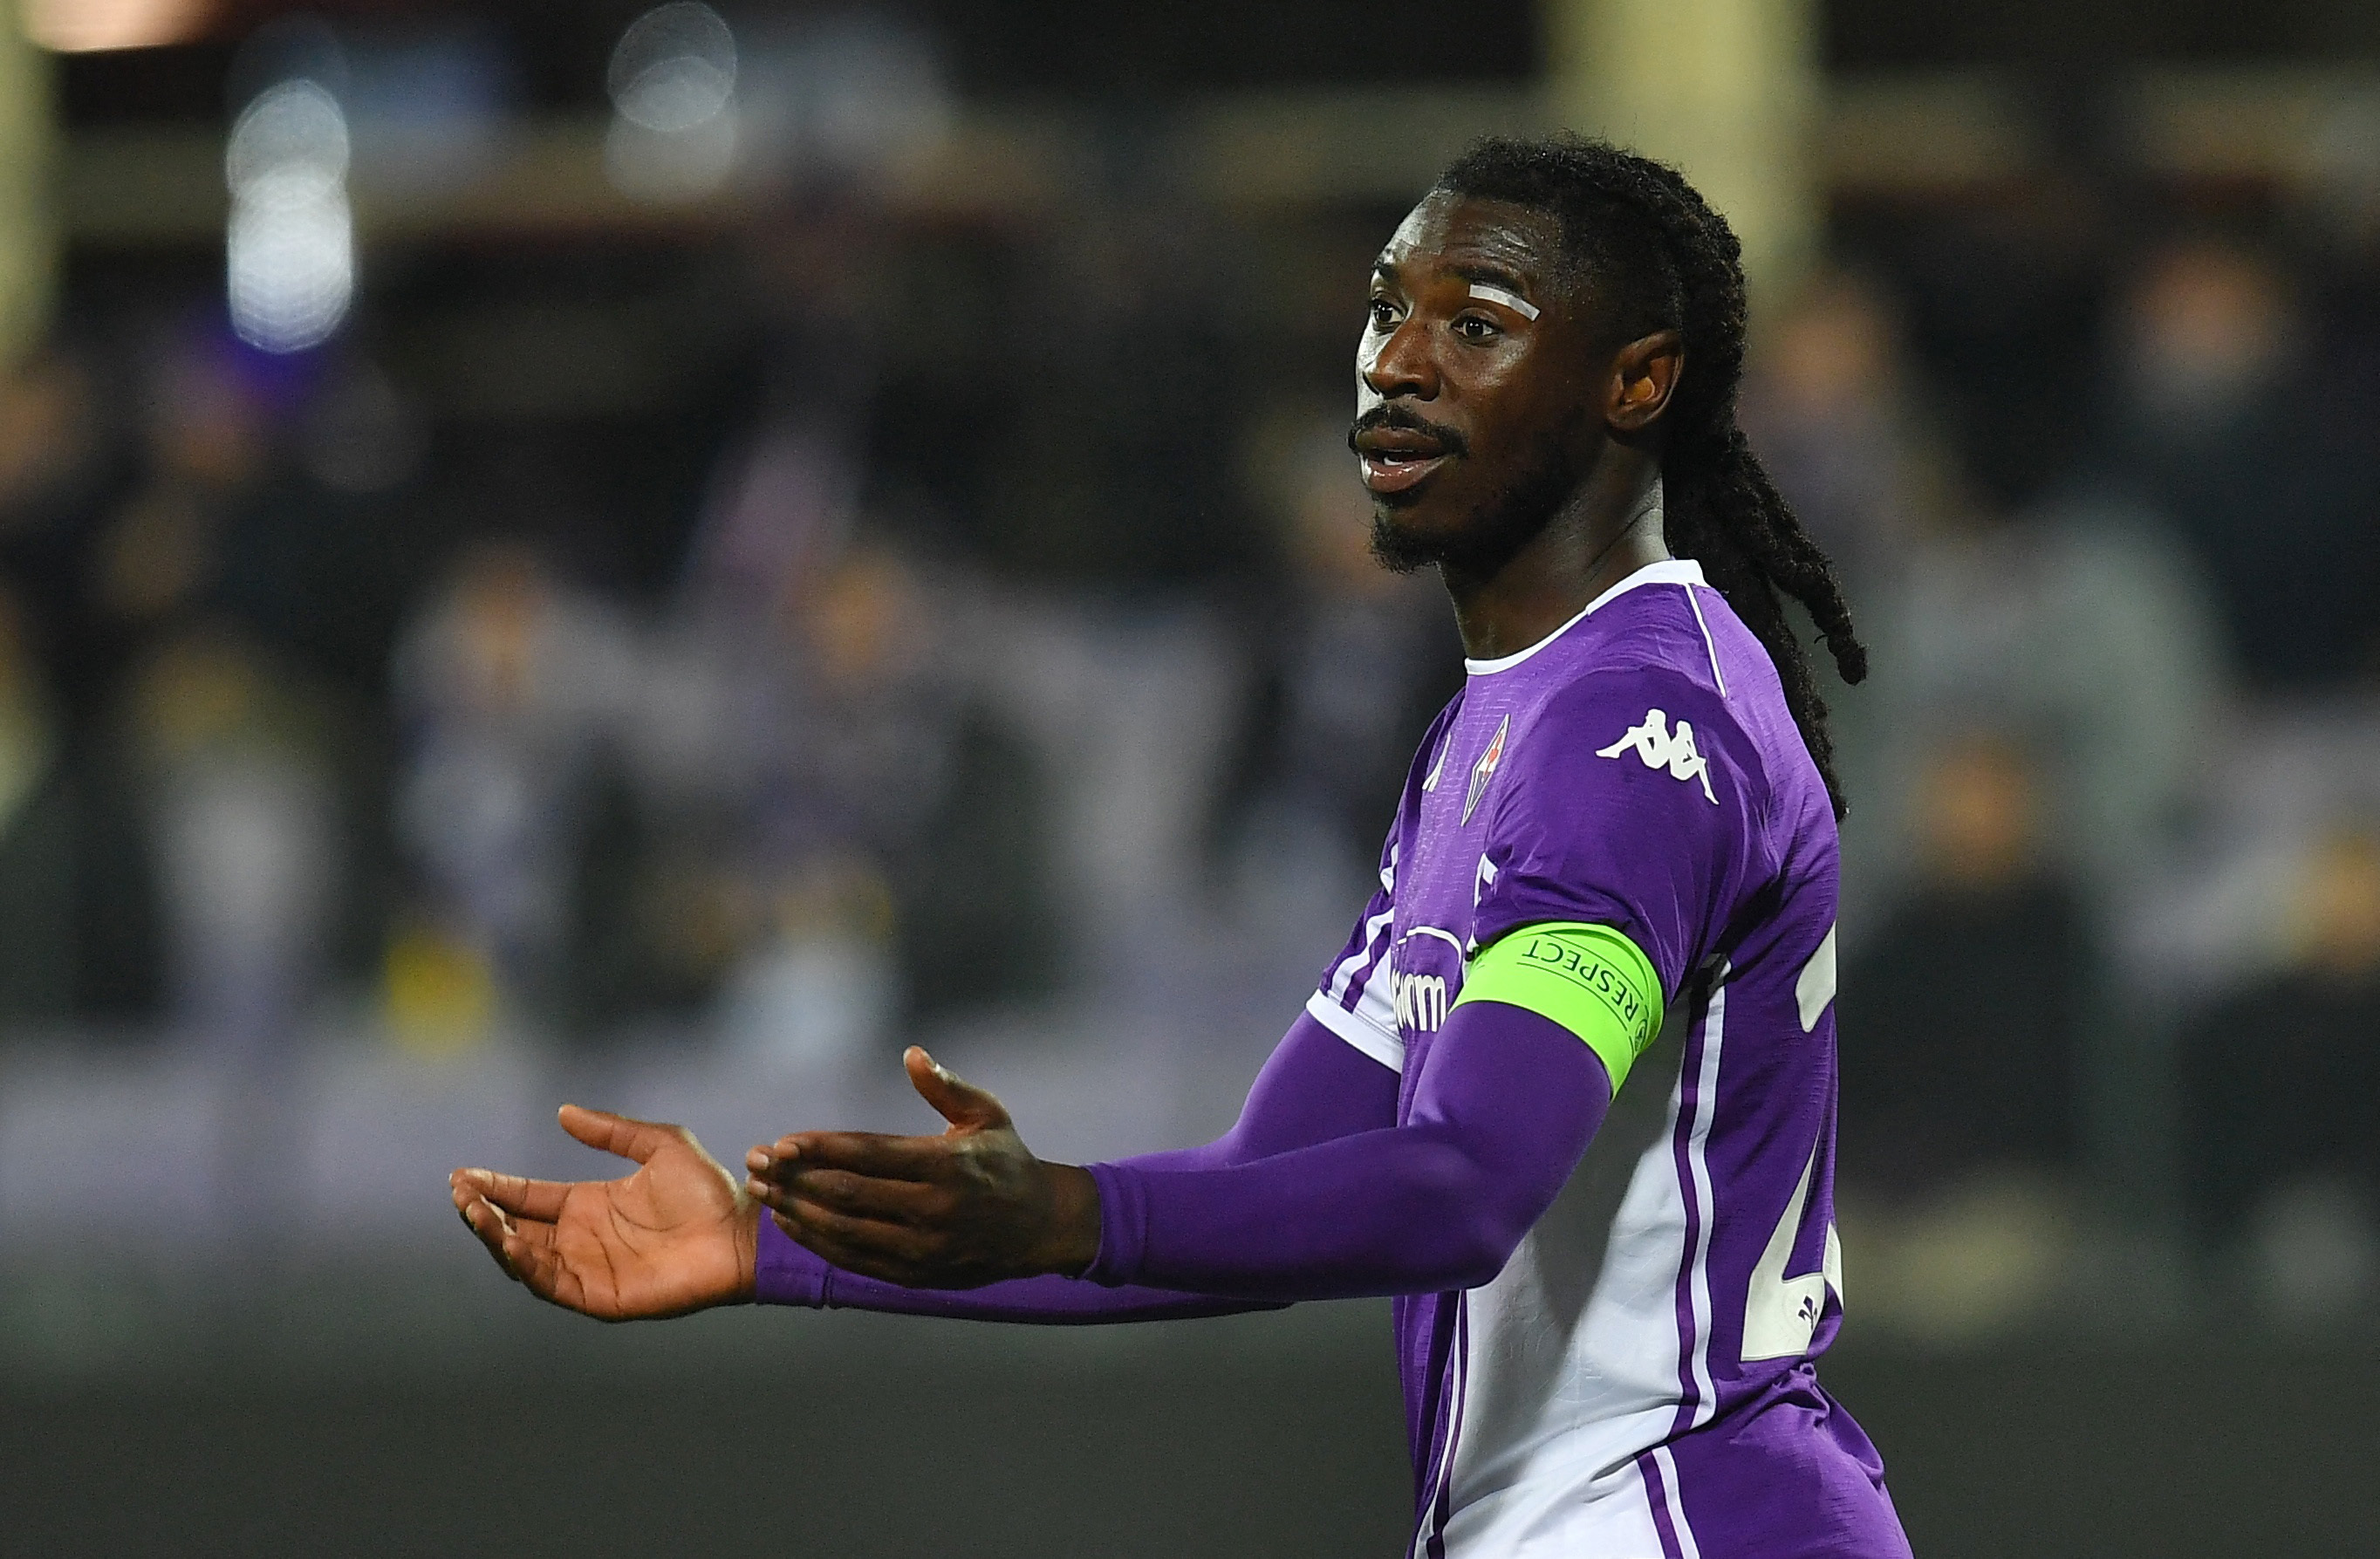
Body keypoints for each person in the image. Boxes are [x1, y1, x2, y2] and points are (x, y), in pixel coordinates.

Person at [452, 136, 1911, 1558]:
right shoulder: (1501, 729)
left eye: (1475, 326)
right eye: (1387, 311)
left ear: (1637, 382)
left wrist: (1074, 1211)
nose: (1396, 363)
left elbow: (1464, 1183)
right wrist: (775, 1248)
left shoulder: (1628, 735)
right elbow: (1259, 1176)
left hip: (1689, 1516)